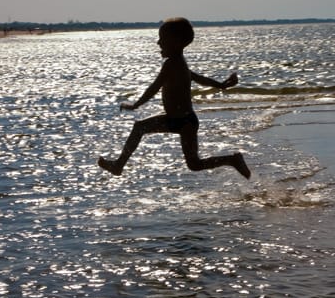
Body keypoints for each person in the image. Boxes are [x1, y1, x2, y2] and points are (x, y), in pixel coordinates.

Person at [98, 17, 251, 179]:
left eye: (162, 39)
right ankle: (232, 160)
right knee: (194, 164)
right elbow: (198, 78)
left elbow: (154, 87)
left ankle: (118, 165)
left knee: (140, 128)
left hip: (182, 121)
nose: (158, 43)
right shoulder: (180, 62)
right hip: (185, 121)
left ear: (176, 42)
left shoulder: (171, 64)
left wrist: (136, 105)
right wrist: (221, 85)